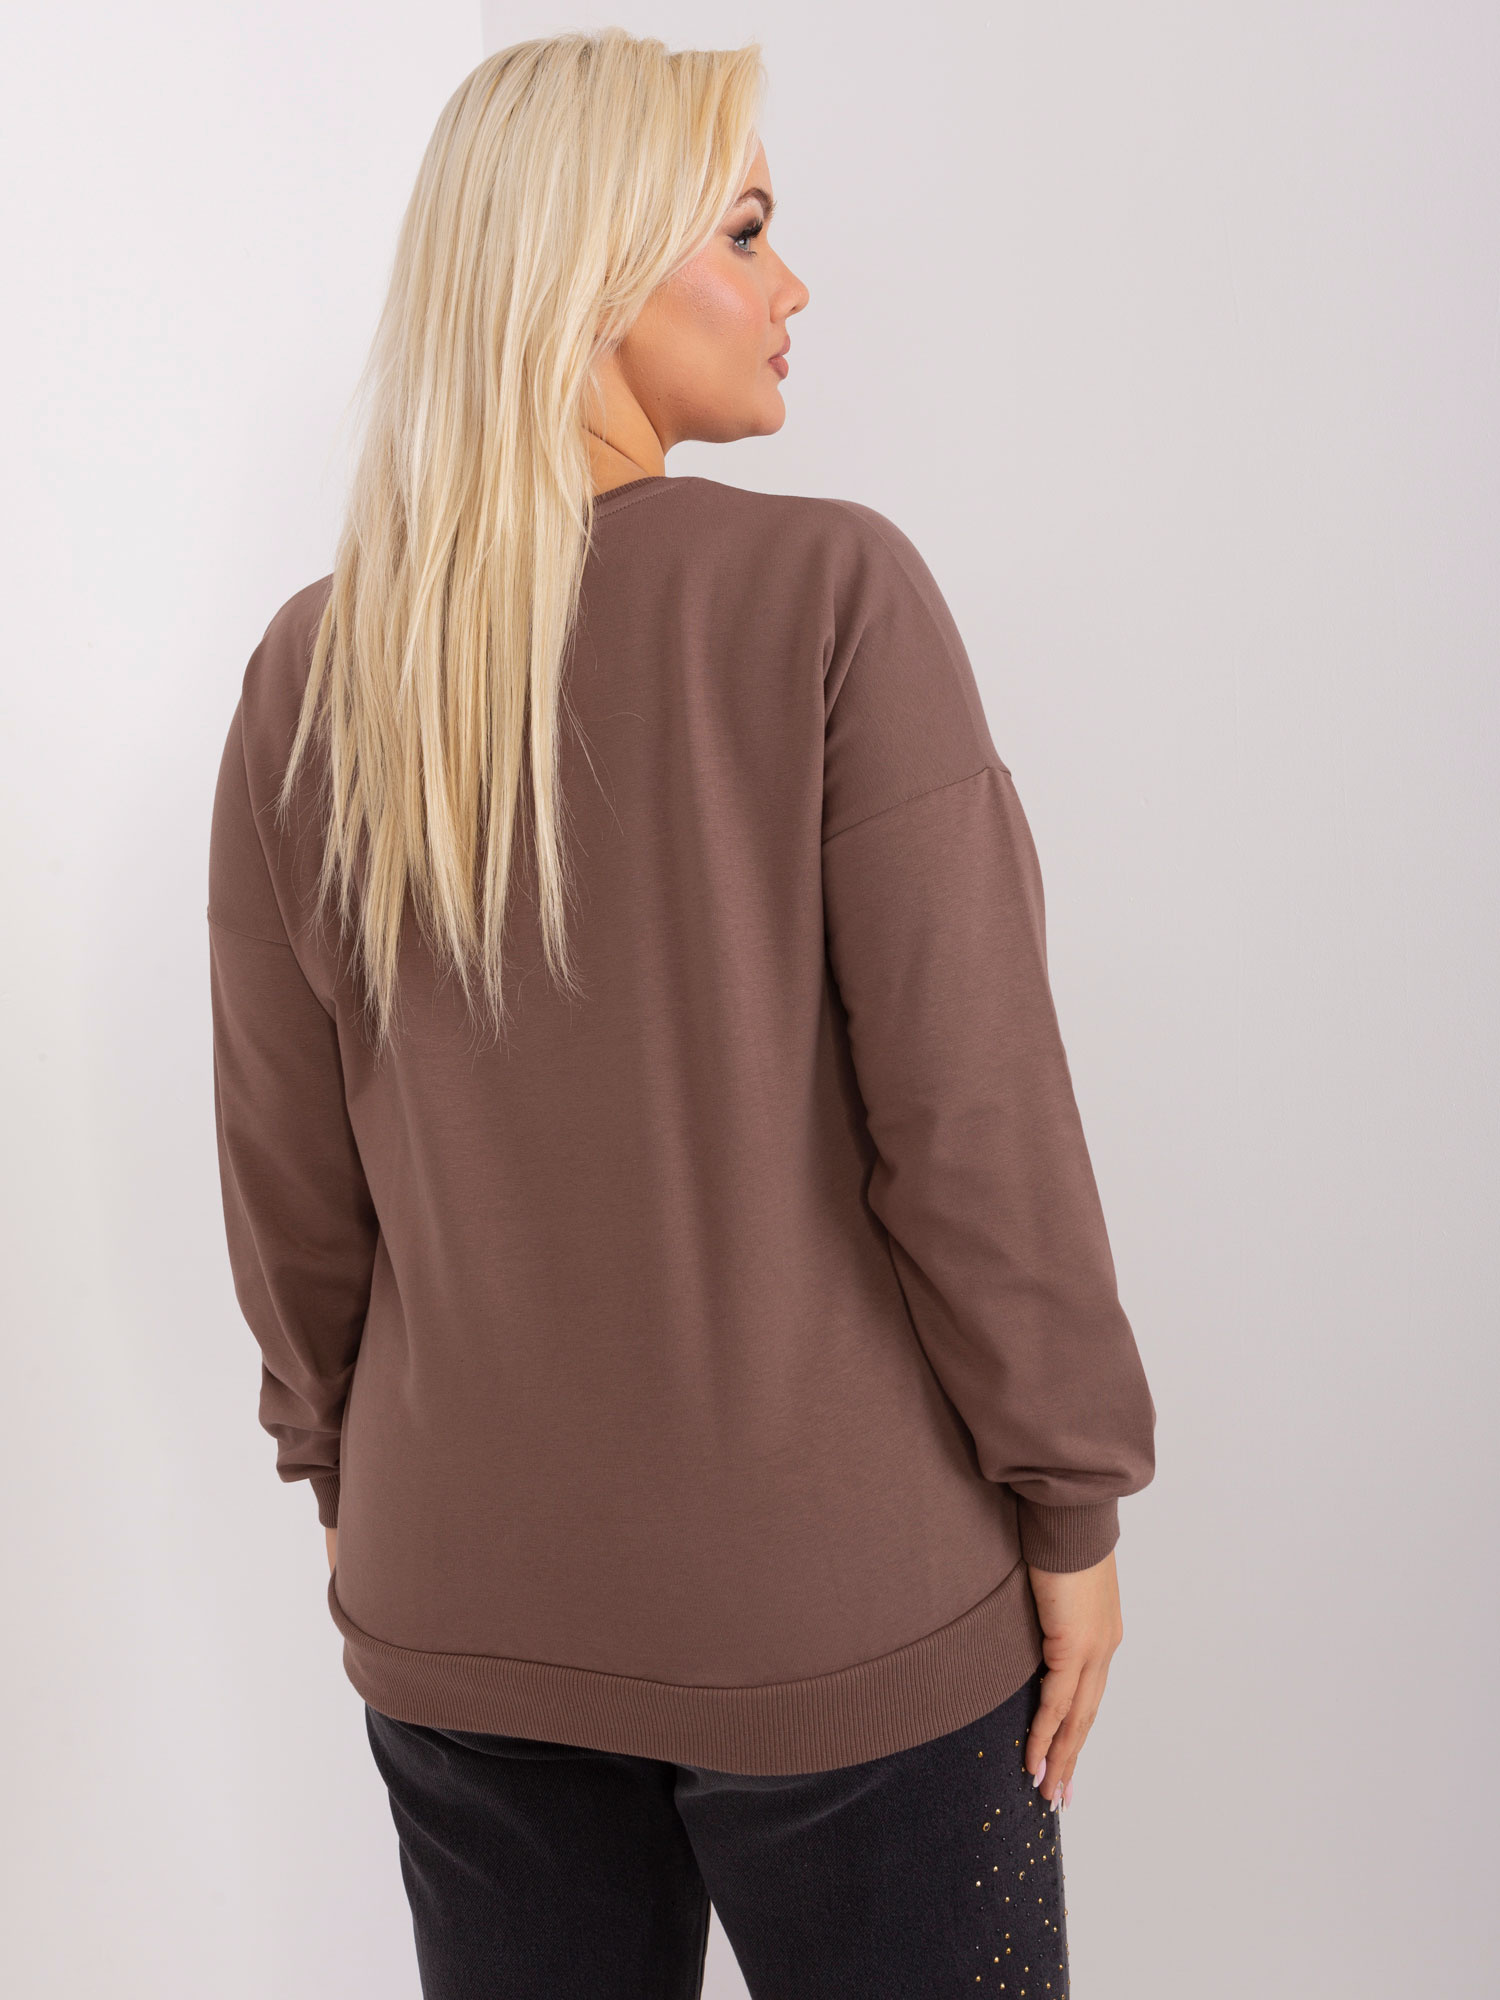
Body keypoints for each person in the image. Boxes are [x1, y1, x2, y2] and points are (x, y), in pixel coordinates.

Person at [205, 29, 1156, 1999]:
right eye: (743, 229)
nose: (792, 282)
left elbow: (289, 1174)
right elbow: (971, 1121)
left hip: (457, 1598)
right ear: (588, 271)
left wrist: (339, 1469)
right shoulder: (830, 594)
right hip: (834, 1614)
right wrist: (1071, 1502)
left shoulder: (316, 668)